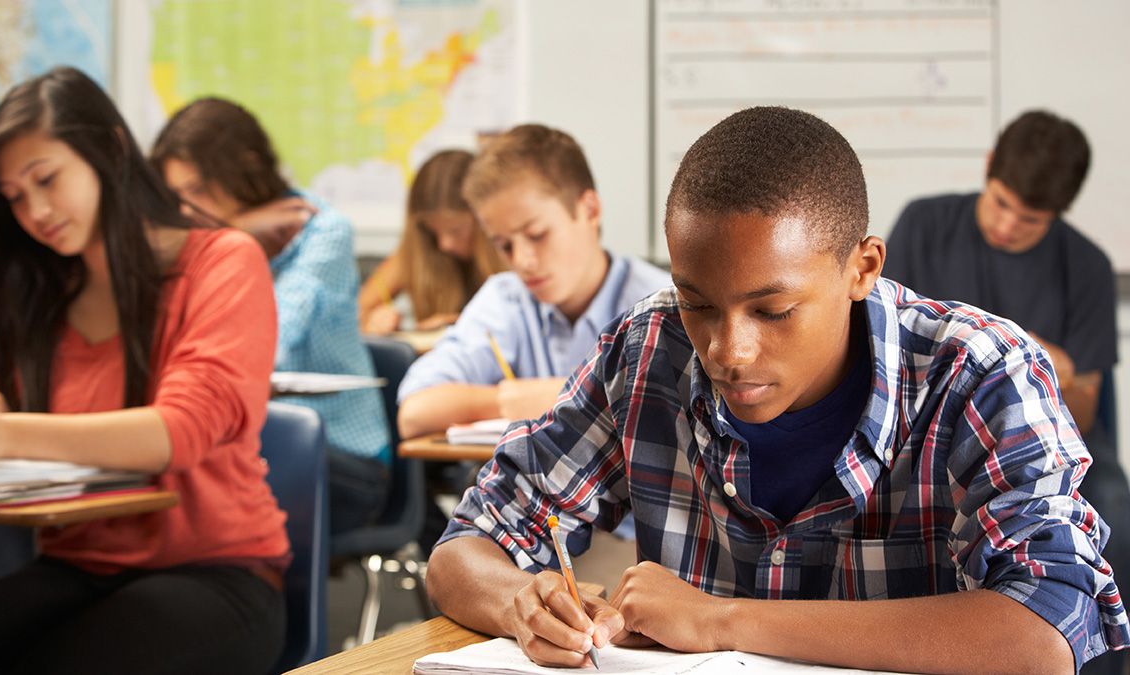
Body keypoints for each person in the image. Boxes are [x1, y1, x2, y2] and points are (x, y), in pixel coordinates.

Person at [425, 106, 1129, 674]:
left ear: (863, 268)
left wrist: (719, 617)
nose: (729, 350)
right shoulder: (646, 353)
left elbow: (1044, 633)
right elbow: (466, 546)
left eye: (773, 310)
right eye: (698, 301)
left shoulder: (982, 373)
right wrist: (522, 599)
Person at [0, 67, 288, 674]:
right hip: (76, 566)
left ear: (111, 151)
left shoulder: (222, 262)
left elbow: (179, 430)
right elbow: (4, 399)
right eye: (14, 196)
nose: (35, 210)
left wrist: (6, 433)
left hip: (216, 574)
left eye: (47, 179)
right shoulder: (35, 285)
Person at [884, 110, 1129, 675]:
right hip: (929, 431)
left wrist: (1038, 363)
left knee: (1111, 505)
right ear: (989, 168)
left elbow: (1086, 409)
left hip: (1048, 437)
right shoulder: (925, 224)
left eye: (1031, 219)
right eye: (1001, 204)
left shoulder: (1086, 266)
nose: (1008, 226)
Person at [151, 97, 391, 534]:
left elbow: (262, 347)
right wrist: (237, 234)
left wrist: (230, 245)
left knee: (203, 476)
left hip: (341, 457)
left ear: (245, 167)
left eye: (200, 191)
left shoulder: (323, 230)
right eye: (176, 197)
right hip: (247, 443)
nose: (187, 212)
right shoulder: (197, 241)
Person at [396, 124, 671, 440]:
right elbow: (414, 413)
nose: (523, 261)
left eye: (537, 235)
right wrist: (508, 400)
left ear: (589, 211)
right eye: (504, 245)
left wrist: (568, 394)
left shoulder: (662, 305)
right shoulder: (505, 300)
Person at [358, 149, 507, 335]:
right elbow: (355, 313)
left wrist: (459, 323)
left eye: (456, 231)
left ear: (485, 220)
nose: (444, 244)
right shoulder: (415, 253)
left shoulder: (513, 252)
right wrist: (373, 322)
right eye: (432, 231)